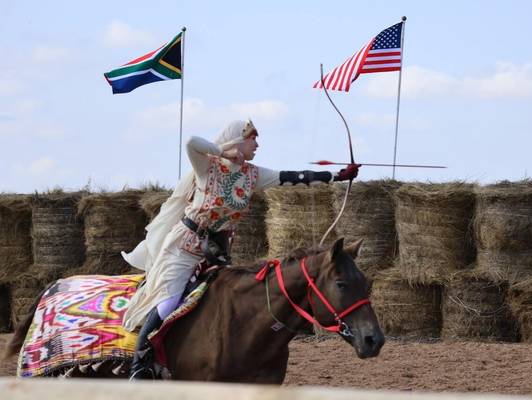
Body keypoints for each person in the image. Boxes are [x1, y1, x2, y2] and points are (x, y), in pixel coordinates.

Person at [120, 119, 359, 379]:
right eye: (252, 138)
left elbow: (292, 178)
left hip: (215, 252)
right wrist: (223, 152)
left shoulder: (253, 174)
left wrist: (337, 176)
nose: (257, 144)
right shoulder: (207, 166)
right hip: (182, 248)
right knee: (167, 303)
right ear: (237, 140)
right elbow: (191, 142)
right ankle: (140, 365)